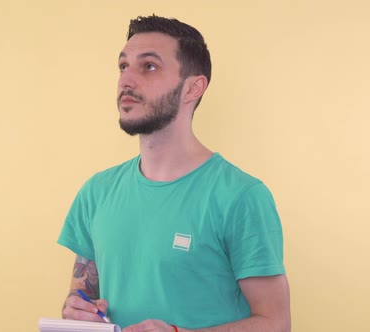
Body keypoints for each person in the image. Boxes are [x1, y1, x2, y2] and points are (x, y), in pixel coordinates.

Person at [58, 15, 291, 332]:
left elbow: (276, 323)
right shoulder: (96, 192)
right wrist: (77, 310)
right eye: (123, 66)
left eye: (149, 66)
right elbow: (81, 295)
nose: (126, 80)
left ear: (193, 87)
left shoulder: (241, 197)